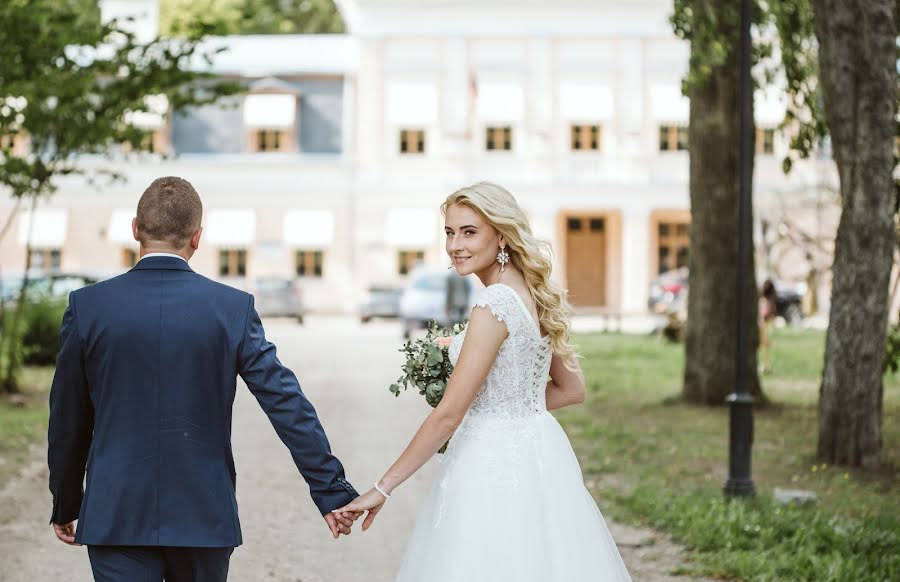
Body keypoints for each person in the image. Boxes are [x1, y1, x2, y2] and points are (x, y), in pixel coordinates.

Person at [47, 177, 358, 581]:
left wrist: (66, 502)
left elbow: (67, 418)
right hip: (203, 514)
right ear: (197, 238)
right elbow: (286, 402)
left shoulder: (88, 307)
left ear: (136, 230)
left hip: (115, 512)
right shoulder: (232, 309)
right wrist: (330, 490)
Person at [335, 182, 632, 581]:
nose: (456, 244)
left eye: (469, 232)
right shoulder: (536, 295)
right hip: (541, 453)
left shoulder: (494, 304)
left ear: (502, 235)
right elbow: (569, 389)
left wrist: (382, 488)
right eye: (449, 232)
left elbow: (448, 415)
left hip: (491, 463)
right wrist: (506, 402)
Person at [759, 278, 777, 373]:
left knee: (765, 346)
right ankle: (764, 364)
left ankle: (765, 364)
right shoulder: (766, 300)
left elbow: (767, 313)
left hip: (766, 323)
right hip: (765, 323)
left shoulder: (767, 301)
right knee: (764, 346)